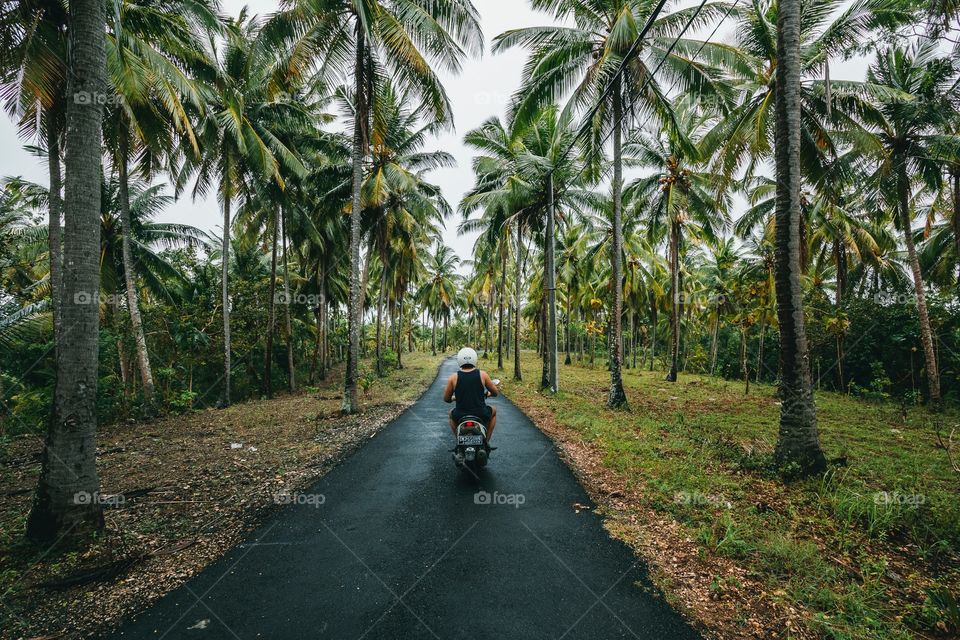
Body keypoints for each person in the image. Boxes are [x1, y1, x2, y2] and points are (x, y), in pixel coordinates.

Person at [443, 347, 499, 443]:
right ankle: (486, 441)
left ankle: (459, 440)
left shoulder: (453, 377)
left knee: (450, 414)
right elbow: (495, 393)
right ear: (474, 359)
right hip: (481, 413)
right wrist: (487, 394)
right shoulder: (483, 375)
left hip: (460, 414)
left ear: (459, 359)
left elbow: (446, 399)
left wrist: (454, 398)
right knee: (494, 411)